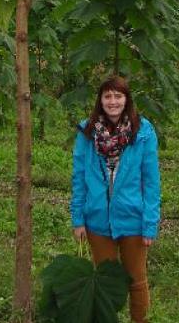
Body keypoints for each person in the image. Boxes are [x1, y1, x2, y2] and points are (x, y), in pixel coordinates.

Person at [70, 76, 161, 323]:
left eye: (118, 96)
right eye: (108, 96)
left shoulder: (143, 133)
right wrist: (78, 218)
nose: (113, 102)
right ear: (100, 100)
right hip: (97, 220)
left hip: (133, 219)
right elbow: (78, 177)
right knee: (105, 284)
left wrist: (150, 223)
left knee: (136, 280)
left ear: (126, 100)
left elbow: (151, 182)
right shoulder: (87, 132)